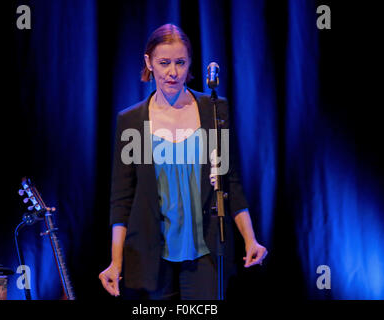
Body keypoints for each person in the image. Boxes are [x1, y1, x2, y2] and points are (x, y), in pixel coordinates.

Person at [99, 23, 267, 300]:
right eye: (164, 63)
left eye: (180, 62)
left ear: (190, 63)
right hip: (151, 252)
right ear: (148, 62)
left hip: (206, 250)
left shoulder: (214, 110)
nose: (172, 72)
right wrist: (116, 262)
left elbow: (230, 182)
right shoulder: (131, 121)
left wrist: (251, 239)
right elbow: (121, 199)